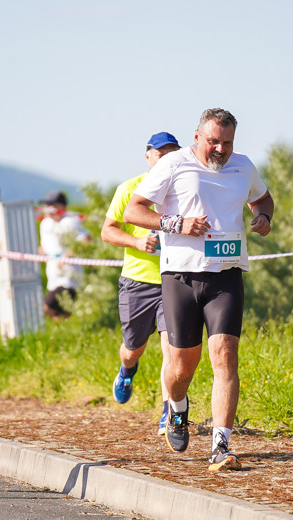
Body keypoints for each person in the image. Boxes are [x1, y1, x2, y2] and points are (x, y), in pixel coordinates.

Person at [124, 108, 274, 471]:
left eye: (226, 142)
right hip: (181, 277)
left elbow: (263, 198)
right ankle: (177, 408)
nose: (219, 150)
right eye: (212, 142)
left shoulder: (243, 166)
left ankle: (221, 445)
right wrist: (176, 223)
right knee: (181, 366)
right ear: (196, 137)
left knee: (224, 354)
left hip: (226, 274)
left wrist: (264, 216)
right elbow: (133, 211)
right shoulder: (174, 164)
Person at [101, 132, 178, 431]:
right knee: (133, 348)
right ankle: (127, 369)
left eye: (172, 153)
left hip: (174, 279)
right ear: (148, 156)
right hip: (137, 281)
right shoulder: (129, 188)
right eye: (160, 153)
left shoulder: (182, 189)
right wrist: (136, 243)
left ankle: (168, 409)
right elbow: (108, 231)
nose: (166, 159)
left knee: (172, 347)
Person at [38, 190, 91, 320]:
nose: (48, 209)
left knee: (45, 309)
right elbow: (46, 245)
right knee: (60, 316)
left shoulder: (70, 222)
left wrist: (67, 256)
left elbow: (86, 240)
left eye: (52, 205)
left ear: (62, 207)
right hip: (53, 278)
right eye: (47, 205)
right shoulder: (45, 223)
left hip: (69, 280)